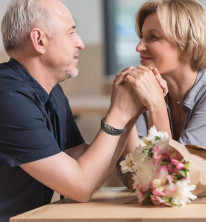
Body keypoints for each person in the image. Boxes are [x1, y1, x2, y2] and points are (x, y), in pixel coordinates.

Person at [0, 0, 144, 221]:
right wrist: (118, 114)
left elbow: (91, 171)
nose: (81, 43)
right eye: (71, 33)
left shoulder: (51, 90)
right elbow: (80, 187)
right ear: (39, 40)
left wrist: (129, 113)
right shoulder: (9, 97)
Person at [116, 0, 206, 187]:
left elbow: (175, 177)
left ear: (188, 44)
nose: (139, 47)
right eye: (141, 36)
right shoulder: (147, 90)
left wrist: (156, 105)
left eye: (153, 37)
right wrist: (125, 112)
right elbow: (134, 176)